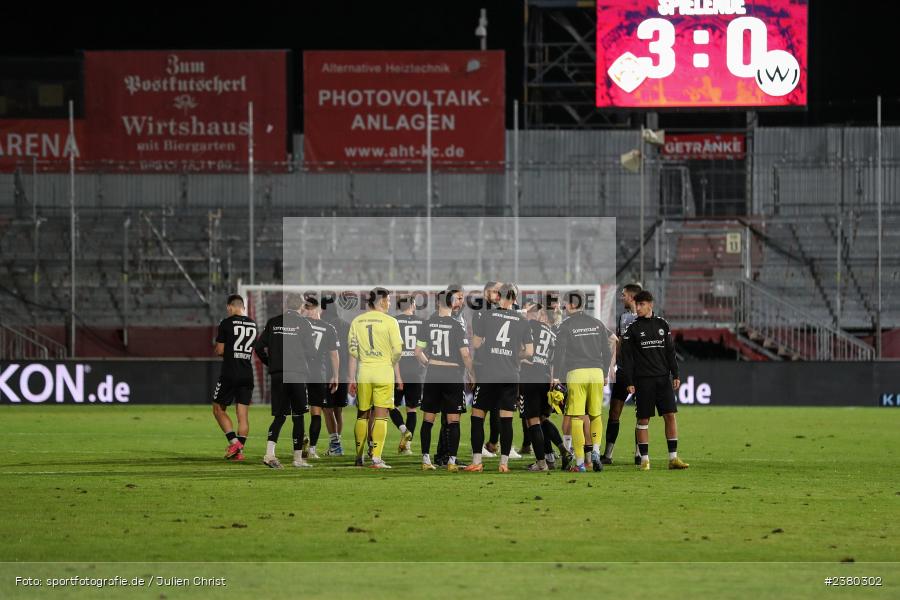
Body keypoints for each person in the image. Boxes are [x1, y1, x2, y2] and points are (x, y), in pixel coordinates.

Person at [465, 283, 533, 473]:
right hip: (510, 374)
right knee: (506, 420)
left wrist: (491, 346)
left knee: (478, 417)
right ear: (514, 299)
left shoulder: (487, 316)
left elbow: (476, 344)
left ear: (498, 297)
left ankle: (477, 461)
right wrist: (513, 354)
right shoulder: (522, 321)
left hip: (488, 373)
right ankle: (503, 464)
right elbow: (529, 351)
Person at [620, 290, 689, 471]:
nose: (638, 308)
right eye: (637, 305)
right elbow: (626, 358)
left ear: (650, 304)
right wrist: (629, 381)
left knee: (670, 416)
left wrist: (676, 374)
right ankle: (644, 460)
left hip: (662, 379)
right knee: (643, 420)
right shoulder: (632, 329)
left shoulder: (662, 324)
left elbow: (670, 352)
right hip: (643, 381)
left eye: (641, 305)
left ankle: (673, 458)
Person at [254, 293, 318, 469]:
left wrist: (271, 363)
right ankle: (297, 459)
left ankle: (269, 454)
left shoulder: (273, 322)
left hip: (278, 374)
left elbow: (259, 348)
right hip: (297, 374)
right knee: (298, 416)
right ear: (301, 307)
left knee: (280, 416)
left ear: (286, 305)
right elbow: (312, 353)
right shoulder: (304, 323)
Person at [416, 289, 475, 472]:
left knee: (428, 419)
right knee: (453, 420)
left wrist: (429, 364)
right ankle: (451, 461)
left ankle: (426, 460)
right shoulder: (457, 326)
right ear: (452, 303)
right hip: (452, 375)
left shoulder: (427, 324)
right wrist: (472, 374)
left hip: (434, 373)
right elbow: (465, 355)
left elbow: (418, 352)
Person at [552, 290, 611, 473]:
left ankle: (579, 463)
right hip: (596, 373)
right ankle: (595, 451)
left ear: (571, 304)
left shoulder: (565, 325)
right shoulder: (597, 324)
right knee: (595, 415)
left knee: (577, 417)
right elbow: (607, 350)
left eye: (565, 303)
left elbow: (559, 353)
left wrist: (556, 377)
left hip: (576, 373)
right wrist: (605, 372)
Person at [347, 287, 404, 469]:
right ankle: (377, 459)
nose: (389, 303)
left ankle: (359, 456)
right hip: (383, 372)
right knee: (381, 416)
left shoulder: (357, 321)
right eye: (388, 300)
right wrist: (390, 361)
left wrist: (352, 376)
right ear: (381, 301)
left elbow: (352, 350)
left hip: (364, 371)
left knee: (362, 414)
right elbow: (398, 350)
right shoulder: (390, 322)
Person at [602, 283, 643, 466]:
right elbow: (618, 343)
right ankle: (608, 454)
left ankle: (639, 454)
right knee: (615, 410)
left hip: (642, 371)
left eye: (624, 295)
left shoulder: (647, 319)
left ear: (632, 297)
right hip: (624, 370)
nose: (621, 297)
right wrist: (612, 365)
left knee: (641, 413)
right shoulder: (623, 318)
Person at [212, 294, 257, 462]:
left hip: (230, 373)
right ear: (243, 307)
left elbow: (220, 350)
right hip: (247, 373)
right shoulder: (253, 324)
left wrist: (220, 349)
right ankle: (239, 451)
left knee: (218, 409)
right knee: (243, 415)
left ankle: (234, 443)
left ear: (229, 306)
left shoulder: (226, 323)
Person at [301, 295, 340, 460]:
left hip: (300, 372)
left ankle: (301, 444)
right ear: (318, 309)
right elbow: (334, 355)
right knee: (316, 411)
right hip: (318, 374)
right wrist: (336, 376)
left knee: (298, 411)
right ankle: (312, 450)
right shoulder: (329, 328)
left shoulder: (299, 326)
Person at [519, 304, 555, 472]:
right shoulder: (552, 333)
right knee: (543, 419)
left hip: (530, 376)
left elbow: (523, 350)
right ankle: (558, 452)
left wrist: (520, 360)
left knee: (532, 420)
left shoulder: (527, 326)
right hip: (546, 379)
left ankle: (541, 463)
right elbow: (554, 359)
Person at [392, 293, 425, 454]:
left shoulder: (394, 321)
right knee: (412, 409)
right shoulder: (422, 322)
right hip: (416, 371)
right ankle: (408, 445)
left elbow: (393, 351)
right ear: (413, 304)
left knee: (390, 405)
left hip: (398, 370)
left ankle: (405, 430)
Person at [321, 297, 351, 456]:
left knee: (327, 409)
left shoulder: (322, 324)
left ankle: (335, 445)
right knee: (338, 410)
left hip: (327, 372)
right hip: (344, 373)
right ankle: (336, 446)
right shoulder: (346, 325)